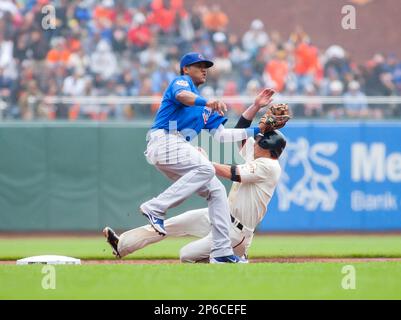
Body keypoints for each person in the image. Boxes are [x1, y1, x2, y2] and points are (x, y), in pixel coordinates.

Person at [104, 52, 274, 263]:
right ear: (186, 68)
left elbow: (222, 136)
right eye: (198, 65)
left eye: (206, 66)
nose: (204, 69)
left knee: (217, 191)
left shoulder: (207, 108)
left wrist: (259, 128)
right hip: (163, 140)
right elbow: (183, 97)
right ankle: (155, 208)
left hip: (176, 148)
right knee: (206, 169)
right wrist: (207, 101)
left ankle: (221, 251)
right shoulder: (182, 83)